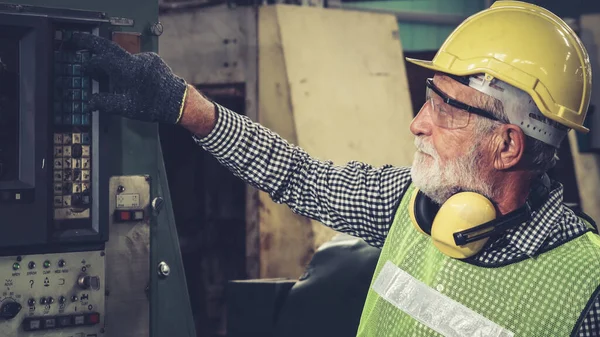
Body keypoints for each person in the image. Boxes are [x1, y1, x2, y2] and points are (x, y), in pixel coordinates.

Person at [68, 1, 600, 336]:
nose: (417, 124)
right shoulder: (408, 206)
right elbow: (296, 174)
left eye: (444, 108)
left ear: (507, 145)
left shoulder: (586, 289)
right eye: (426, 100)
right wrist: (180, 104)